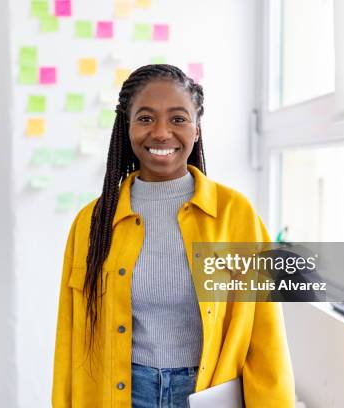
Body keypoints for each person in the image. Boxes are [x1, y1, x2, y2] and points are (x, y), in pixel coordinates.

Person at [52, 64, 295, 407]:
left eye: (178, 119)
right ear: (128, 126)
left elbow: (264, 337)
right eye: (146, 118)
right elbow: (70, 339)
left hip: (207, 391)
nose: (162, 133)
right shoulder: (92, 221)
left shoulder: (235, 215)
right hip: (121, 394)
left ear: (197, 129)